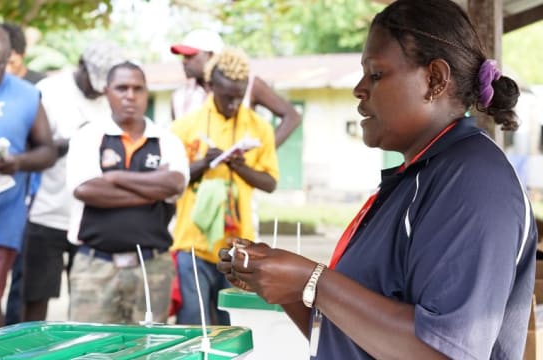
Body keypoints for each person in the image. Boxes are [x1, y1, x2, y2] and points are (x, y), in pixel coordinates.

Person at [218, 0, 537, 359]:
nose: (359, 89)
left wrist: (313, 281)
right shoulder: (416, 178)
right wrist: (286, 285)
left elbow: (443, 351)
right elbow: (352, 335)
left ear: (434, 79)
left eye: (376, 74)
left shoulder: (474, 182)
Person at [66, 61, 189, 324]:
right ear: (107, 91)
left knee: (148, 349)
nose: (130, 95)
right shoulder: (88, 136)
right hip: (95, 267)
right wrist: (151, 189)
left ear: (146, 93)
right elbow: (87, 189)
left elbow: (175, 184)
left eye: (138, 88)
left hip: (152, 268)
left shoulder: (167, 140)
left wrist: (115, 177)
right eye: (122, 88)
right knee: (90, 350)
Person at [18, 41, 127, 322]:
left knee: (87, 302)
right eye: (95, 81)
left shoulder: (111, 95)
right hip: (46, 214)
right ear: (81, 65)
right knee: (36, 298)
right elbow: (30, 149)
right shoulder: (50, 91)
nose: (98, 89)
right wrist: (74, 140)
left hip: (91, 220)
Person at [171, 47, 279, 325]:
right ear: (209, 86)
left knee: (233, 325)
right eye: (226, 97)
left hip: (238, 248)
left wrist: (238, 165)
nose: (233, 105)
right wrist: (203, 163)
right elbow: (171, 183)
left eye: (238, 97)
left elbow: (270, 183)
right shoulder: (184, 127)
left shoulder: (259, 127)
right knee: (193, 326)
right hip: (192, 243)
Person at [0, 24, 56, 334]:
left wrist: (17, 161)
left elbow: (47, 152)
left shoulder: (27, 95)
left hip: (2, 217)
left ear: (9, 59)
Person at [170, 29, 301, 148]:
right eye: (182, 57)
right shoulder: (179, 97)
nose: (184, 61)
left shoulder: (248, 85)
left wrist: (264, 152)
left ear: (211, 55)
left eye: (189, 56)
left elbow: (292, 117)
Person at [0, 21, 47, 326]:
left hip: (30, 199)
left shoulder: (37, 88)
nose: (0, 68)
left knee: (22, 280)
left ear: (19, 56)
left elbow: (45, 145)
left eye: (8, 61)